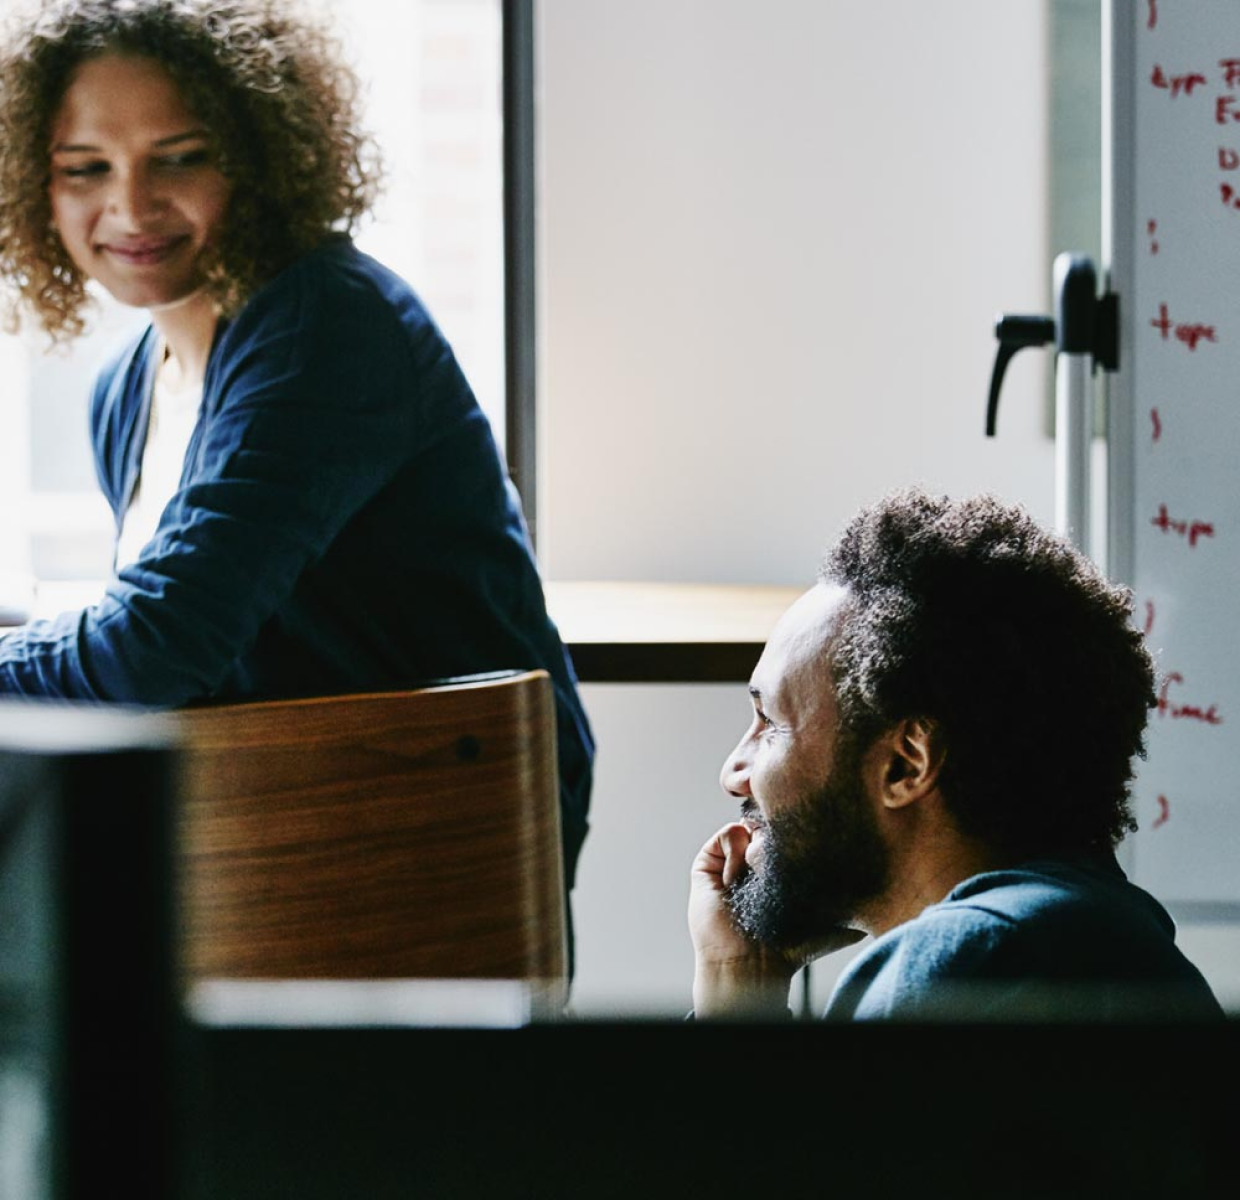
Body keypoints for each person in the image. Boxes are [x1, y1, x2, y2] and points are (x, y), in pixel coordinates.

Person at [0, 0, 592, 964]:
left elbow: (156, 643)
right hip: (258, 845)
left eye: (180, 156)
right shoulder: (124, 389)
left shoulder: (325, 324)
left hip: (416, 844)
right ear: (39, 186)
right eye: (86, 169)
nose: (132, 206)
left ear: (259, 155)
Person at [689, 487, 1225, 1021]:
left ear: (907, 764)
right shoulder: (1108, 940)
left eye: (770, 723)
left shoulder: (959, 960)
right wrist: (737, 979)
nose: (733, 774)